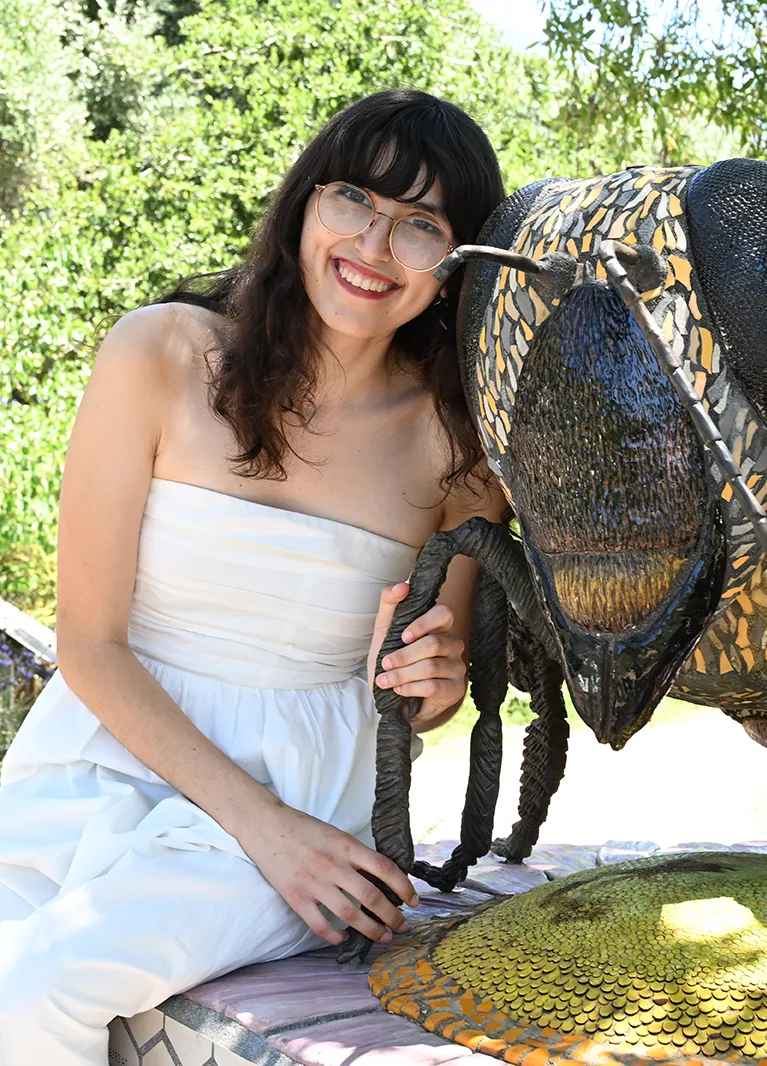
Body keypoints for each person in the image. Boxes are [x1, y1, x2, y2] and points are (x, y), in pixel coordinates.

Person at [0, 88, 507, 1063]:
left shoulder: (457, 449)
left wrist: (431, 683)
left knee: (35, 991)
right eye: (355, 200)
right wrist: (258, 826)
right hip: (105, 746)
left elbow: (424, 695)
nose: (373, 244)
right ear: (304, 204)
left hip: (310, 785)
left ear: (451, 270)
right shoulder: (158, 354)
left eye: (420, 226)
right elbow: (90, 643)